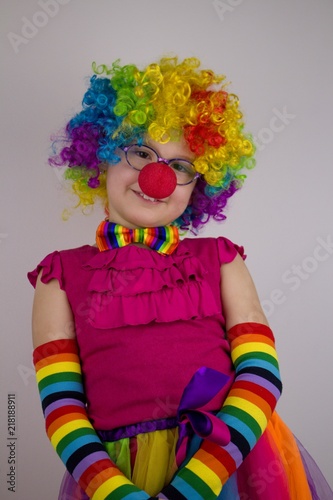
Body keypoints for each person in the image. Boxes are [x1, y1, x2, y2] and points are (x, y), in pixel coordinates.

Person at [28, 56, 332, 500]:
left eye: (181, 165)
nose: (158, 177)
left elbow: (262, 375)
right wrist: (118, 494)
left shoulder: (221, 259)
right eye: (141, 152)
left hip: (229, 465)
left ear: (197, 187)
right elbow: (61, 407)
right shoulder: (59, 275)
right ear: (100, 155)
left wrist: (197, 484)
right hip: (117, 474)